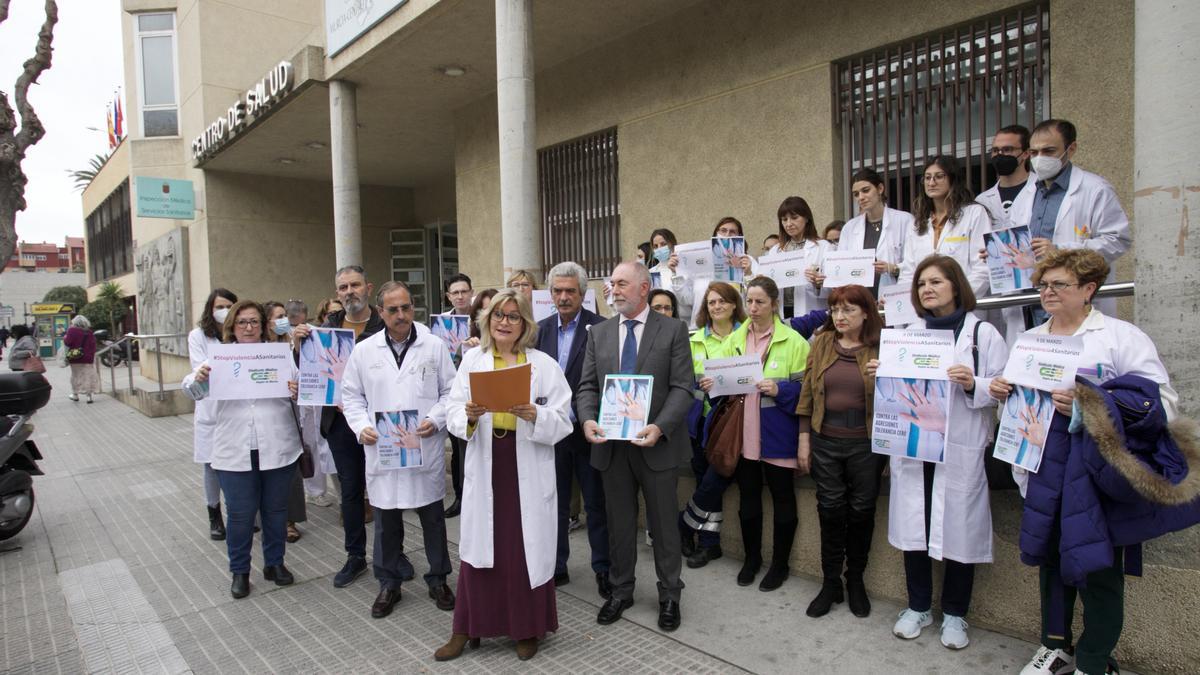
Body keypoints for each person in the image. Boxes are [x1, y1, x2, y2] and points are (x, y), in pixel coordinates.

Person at [987, 249, 1180, 675]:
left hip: (1097, 471)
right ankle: (1054, 647)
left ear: (1089, 289)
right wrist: (1004, 394)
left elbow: (1161, 405)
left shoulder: (1119, 337)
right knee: (1050, 557)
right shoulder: (1031, 340)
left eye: (1059, 284)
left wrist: (1088, 403)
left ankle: (1094, 660)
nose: (1047, 292)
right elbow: (1018, 412)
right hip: (1043, 467)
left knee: (1099, 565)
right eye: (1043, 285)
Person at [870, 256, 1007, 649]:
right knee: (916, 527)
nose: (927, 289)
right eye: (921, 284)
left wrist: (972, 383)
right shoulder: (907, 333)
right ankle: (917, 607)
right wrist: (882, 372)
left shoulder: (982, 335)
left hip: (959, 449)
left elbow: (1001, 388)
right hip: (915, 447)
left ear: (956, 285)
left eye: (936, 282)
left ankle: (955, 615)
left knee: (958, 532)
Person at [435, 289, 573, 662]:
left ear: (525, 323)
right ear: (488, 321)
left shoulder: (543, 365)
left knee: (521, 549)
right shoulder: (473, 362)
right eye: (498, 316)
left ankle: (526, 628)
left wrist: (536, 415)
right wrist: (469, 413)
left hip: (524, 460)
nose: (505, 322)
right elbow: (450, 411)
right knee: (481, 550)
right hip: (486, 460)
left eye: (513, 316)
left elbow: (564, 419)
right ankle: (466, 628)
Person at [578, 261, 693, 632]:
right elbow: (588, 388)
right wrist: (587, 420)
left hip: (656, 445)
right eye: (612, 284)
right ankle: (621, 590)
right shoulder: (599, 333)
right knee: (619, 524)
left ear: (644, 288)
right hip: (613, 447)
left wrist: (660, 427)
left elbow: (682, 387)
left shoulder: (673, 329)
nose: (615, 290)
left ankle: (670, 594)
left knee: (663, 525)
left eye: (622, 283)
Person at [342, 281, 456, 619]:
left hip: (423, 446)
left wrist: (435, 420)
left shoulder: (434, 346)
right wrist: (362, 426)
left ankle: (438, 579)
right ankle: (389, 583)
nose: (401, 315)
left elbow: (451, 392)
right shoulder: (364, 351)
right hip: (385, 451)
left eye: (406, 307)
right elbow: (351, 396)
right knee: (387, 520)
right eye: (393, 310)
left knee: (432, 518)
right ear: (381, 313)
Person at [182, 300, 302, 599]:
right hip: (233, 448)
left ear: (263, 326)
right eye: (242, 322)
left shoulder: (280, 356)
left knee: (275, 510)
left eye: (254, 322)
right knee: (240, 514)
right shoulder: (217, 359)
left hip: (277, 444)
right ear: (232, 327)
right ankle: (240, 571)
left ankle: (275, 563)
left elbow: (301, 387)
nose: (248, 328)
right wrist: (198, 379)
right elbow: (194, 392)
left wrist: (298, 389)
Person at [715, 277, 809, 590]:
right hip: (743, 433)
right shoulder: (735, 338)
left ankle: (779, 566)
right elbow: (724, 380)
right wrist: (712, 383)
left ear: (774, 304)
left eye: (760, 302)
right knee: (748, 499)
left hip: (778, 432)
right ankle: (751, 559)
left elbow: (806, 392)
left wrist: (780, 388)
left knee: (783, 498)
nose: (753, 309)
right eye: (749, 302)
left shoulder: (794, 341)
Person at [292, 265, 384, 589]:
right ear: (337, 294)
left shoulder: (383, 325)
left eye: (354, 285)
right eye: (343, 287)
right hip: (341, 423)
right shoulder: (325, 329)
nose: (349, 292)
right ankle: (355, 556)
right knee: (351, 491)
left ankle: (391, 554)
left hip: (379, 420)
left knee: (385, 488)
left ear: (368, 287)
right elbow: (309, 372)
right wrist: (297, 344)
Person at [796, 284, 884, 619]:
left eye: (848, 309)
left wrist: (886, 374)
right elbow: (807, 392)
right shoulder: (820, 343)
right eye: (835, 309)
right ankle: (830, 582)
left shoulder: (881, 347)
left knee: (862, 511)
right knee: (830, 510)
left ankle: (855, 580)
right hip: (826, 441)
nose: (840, 316)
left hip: (866, 444)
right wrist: (804, 439)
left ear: (866, 312)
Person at [1007, 118, 1132, 332]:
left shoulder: (1095, 189)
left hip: (1076, 303)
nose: (1040, 159)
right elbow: (1017, 245)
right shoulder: (1025, 196)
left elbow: (1117, 240)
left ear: (1071, 149)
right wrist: (998, 254)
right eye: (1034, 152)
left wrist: (1061, 249)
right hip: (1033, 305)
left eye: (1048, 151)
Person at [535, 262, 610, 599]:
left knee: (596, 503)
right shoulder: (538, 331)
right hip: (552, 433)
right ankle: (557, 566)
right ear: (550, 294)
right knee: (555, 503)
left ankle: (604, 568)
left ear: (583, 294)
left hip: (588, 431)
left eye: (570, 291)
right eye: (558, 291)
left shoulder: (603, 329)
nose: (563, 297)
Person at [678, 282, 745, 567]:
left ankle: (683, 524)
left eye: (722, 301)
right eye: (711, 302)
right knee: (706, 480)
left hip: (731, 422)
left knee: (715, 478)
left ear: (733, 305)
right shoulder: (693, 339)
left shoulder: (746, 336)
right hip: (699, 421)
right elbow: (682, 380)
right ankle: (709, 544)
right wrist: (699, 383)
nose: (716, 307)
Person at [899, 156, 991, 298]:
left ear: (953, 179)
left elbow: (982, 268)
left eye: (939, 176)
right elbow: (908, 273)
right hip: (926, 307)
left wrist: (956, 299)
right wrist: (901, 301)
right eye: (927, 178)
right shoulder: (917, 223)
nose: (931, 182)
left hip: (964, 304)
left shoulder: (974, 213)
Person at [188, 288, 238, 540]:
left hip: (235, 409)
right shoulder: (198, 336)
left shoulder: (237, 334)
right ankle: (214, 515)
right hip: (210, 408)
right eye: (219, 306)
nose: (224, 311)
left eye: (229, 305)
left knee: (236, 464)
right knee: (211, 465)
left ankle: (238, 513)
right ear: (210, 308)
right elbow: (199, 367)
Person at [264, 300, 307, 544]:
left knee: (291, 472)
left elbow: (301, 374)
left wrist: (297, 386)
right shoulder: (257, 349)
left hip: (289, 415)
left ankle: (290, 520)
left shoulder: (290, 343)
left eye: (284, 315)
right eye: (278, 316)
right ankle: (270, 519)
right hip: (266, 419)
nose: (283, 320)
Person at [840, 168, 912, 296]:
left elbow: (915, 263)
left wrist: (893, 268)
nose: (861, 197)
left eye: (866, 190)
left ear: (880, 189)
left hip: (895, 296)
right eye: (856, 194)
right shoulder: (849, 228)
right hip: (860, 301)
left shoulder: (905, 220)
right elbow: (841, 265)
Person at [665, 218, 753, 324]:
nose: (727, 234)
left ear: (739, 236)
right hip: (702, 330)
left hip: (736, 329)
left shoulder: (748, 261)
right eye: (723, 230)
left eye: (732, 231)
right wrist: (676, 273)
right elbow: (686, 299)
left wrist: (748, 273)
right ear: (716, 233)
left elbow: (753, 298)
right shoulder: (698, 260)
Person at [763, 197, 831, 318]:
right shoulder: (776, 251)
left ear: (806, 218)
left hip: (810, 311)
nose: (788, 224)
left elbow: (833, 288)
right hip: (782, 311)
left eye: (794, 218)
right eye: (784, 219)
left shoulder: (823, 247)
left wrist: (818, 284)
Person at [443, 273, 474, 518]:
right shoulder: (442, 323)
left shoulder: (484, 317)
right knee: (457, 447)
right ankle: (460, 496)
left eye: (464, 291)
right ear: (449, 296)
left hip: (477, 389)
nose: (460, 296)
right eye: (456, 292)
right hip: (452, 392)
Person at [977, 125, 1032, 229]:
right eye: (995, 150)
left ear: (1025, 153)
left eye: (1007, 149)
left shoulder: (1042, 191)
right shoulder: (982, 200)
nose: (1000, 154)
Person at [62, 315, 98, 403]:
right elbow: (93, 346)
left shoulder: (71, 330)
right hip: (88, 358)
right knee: (88, 376)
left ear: (74, 322)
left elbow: (68, 342)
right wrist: (91, 357)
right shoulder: (89, 332)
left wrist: (65, 338)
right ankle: (89, 397)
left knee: (75, 376)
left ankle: (75, 395)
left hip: (75, 357)